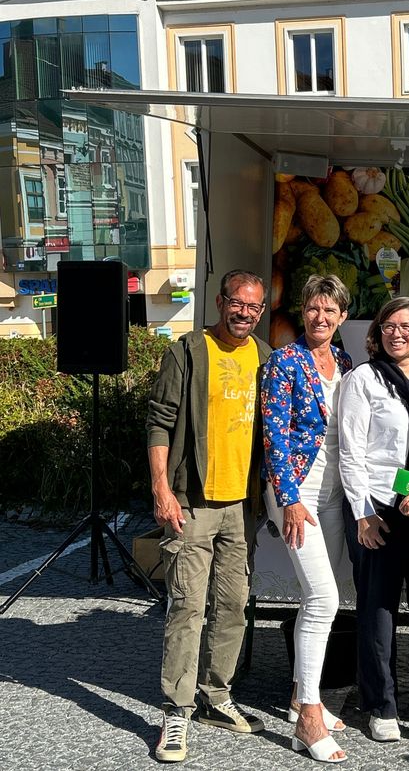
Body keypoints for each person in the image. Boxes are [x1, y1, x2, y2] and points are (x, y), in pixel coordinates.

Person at [146, 269, 271, 763]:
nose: (245, 313)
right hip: (191, 501)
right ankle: (176, 712)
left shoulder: (264, 357)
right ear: (220, 302)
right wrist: (162, 490)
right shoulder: (187, 351)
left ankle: (216, 695)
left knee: (233, 607)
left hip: (242, 506)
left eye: (254, 307)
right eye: (237, 303)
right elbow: (159, 422)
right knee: (187, 608)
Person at [337, 296, 409, 743]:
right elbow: (351, 453)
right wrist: (363, 515)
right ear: (377, 332)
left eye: (406, 325)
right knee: (378, 608)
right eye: (389, 325)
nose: (397, 333)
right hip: (377, 511)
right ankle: (380, 704)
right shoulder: (363, 378)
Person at [261, 274, 353, 764]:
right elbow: (273, 436)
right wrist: (289, 497)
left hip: (335, 496)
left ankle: (300, 692)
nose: (321, 318)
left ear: (342, 317)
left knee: (319, 597)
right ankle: (308, 716)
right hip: (297, 493)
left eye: (330, 311)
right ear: (303, 312)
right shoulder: (284, 361)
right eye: (314, 309)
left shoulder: (345, 362)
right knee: (323, 598)